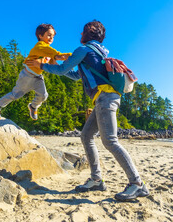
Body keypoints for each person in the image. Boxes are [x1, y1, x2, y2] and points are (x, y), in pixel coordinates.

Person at [25, 21, 149, 201]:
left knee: (111, 141)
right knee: (86, 136)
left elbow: (61, 69)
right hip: (103, 99)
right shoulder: (98, 52)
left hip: (105, 99)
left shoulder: (83, 50)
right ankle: (97, 180)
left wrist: (41, 65)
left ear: (88, 33)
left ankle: (137, 184)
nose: (80, 34)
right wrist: (52, 66)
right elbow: (76, 75)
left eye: (82, 31)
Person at [0, 24, 71, 120]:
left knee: (43, 95)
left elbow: (55, 64)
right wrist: (72, 56)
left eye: (53, 36)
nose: (51, 38)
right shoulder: (40, 46)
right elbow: (58, 55)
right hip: (27, 76)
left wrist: (66, 67)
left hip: (38, 77)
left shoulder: (47, 52)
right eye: (49, 35)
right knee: (16, 95)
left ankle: (33, 107)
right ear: (40, 36)